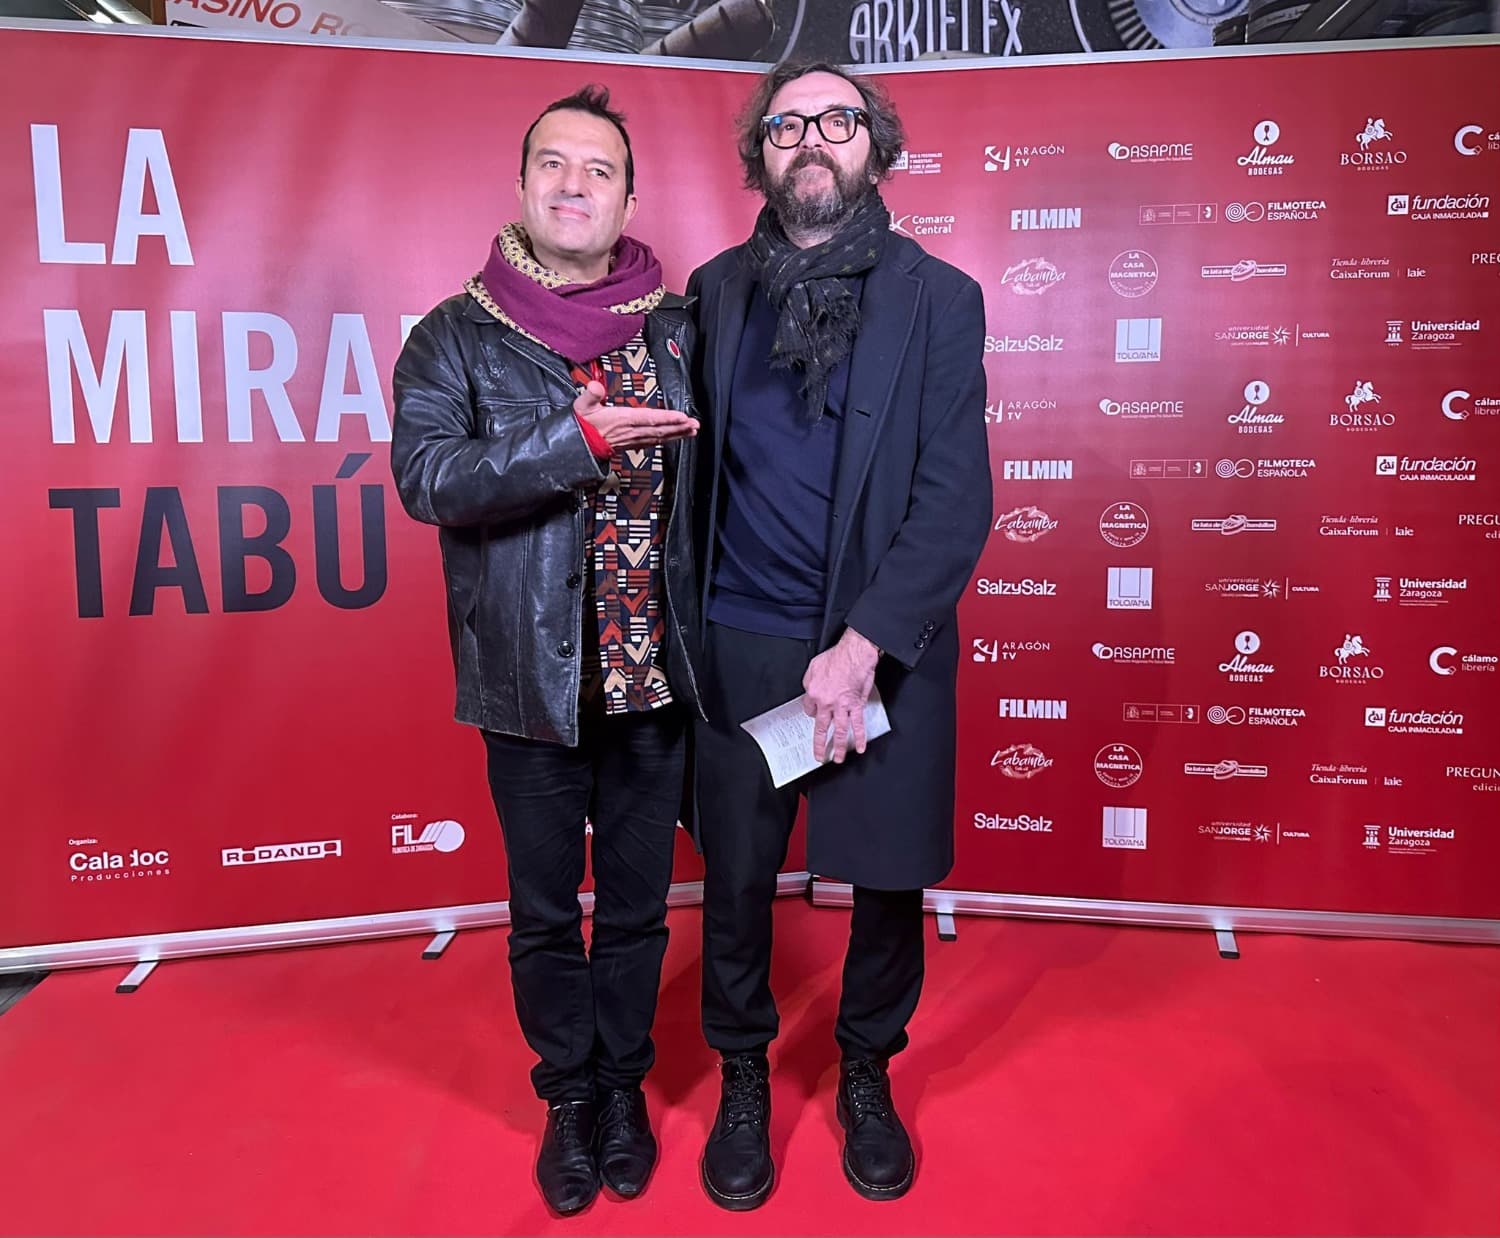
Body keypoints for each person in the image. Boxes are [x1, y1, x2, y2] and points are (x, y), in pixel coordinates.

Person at [389, 85, 701, 1217]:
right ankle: (566, 1093)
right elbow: (431, 481)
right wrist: (573, 437)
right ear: (524, 186)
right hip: (527, 677)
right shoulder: (452, 335)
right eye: (555, 165)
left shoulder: (678, 329)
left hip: (653, 674)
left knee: (634, 906)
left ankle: (624, 1087)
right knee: (540, 909)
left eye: (600, 169)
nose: (576, 184)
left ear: (627, 194)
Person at [685, 62, 991, 1208]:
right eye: (787, 124)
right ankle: (745, 1071)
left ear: (877, 145)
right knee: (736, 883)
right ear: (760, 153)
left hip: (878, 652)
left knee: (887, 880)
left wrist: (862, 643)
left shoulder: (941, 299)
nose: (812, 139)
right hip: (740, 639)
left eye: (837, 121)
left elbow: (956, 498)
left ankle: (866, 1064)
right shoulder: (711, 296)